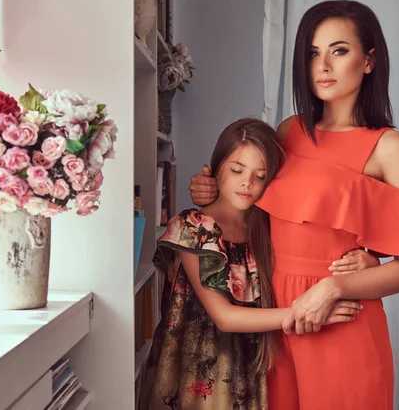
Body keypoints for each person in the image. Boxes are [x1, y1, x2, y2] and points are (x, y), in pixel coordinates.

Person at [188, 0, 399, 410]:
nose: (323, 66)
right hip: (277, 321)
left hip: (340, 319)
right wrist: (212, 193)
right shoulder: (289, 131)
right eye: (313, 53)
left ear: (369, 60)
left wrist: (336, 285)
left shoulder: (390, 148)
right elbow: (256, 207)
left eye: (339, 51)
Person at [139, 118, 380, 410]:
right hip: (201, 370)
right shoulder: (193, 228)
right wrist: (309, 314)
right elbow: (225, 317)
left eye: (260, 176)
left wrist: (367, 258)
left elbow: (317, 250)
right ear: (216, 168)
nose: (246, 183)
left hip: (256, 366)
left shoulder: (268, 228)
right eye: (237, 170)